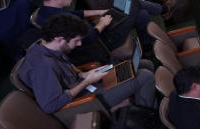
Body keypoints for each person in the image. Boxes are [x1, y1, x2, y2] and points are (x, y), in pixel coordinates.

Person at [20, 13, 156, 114]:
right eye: (76, 41)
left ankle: (141, 104)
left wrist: (84, 74)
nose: (79, 44)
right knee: (145, 76)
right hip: (83, 101)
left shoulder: (45, 45)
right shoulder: (44, 66)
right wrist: (86, 82)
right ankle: (146, 116)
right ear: (60, 39)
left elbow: (65, 71)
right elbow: (50, 105)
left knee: (144, 64)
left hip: (83, 84)